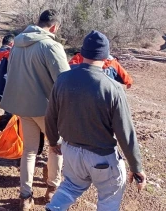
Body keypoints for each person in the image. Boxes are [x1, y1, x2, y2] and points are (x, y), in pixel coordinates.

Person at [45, 30, 146, 211]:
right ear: (105, 57)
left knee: (70, 186)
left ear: (82, 53)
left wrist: (53, 142)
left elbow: (51, 116)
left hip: (71, 151)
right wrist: (136, 166)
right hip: (102, 157)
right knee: (109, 197)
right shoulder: (113, 88)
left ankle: (53, 209)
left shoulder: (62, 79)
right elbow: (126, 132)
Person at [0, 9, 70, 210]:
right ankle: (52, 189)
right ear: (55, 27)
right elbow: (65, 81)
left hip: (22, 106)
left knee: (29, 151)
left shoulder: (17, 45)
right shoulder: (51, 46)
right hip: (47, 108)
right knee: (56, 148)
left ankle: (25, 195)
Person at [69, 52, 133, 88]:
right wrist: (128, 82)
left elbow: (67, 70)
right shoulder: (111, 61)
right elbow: (125, 76)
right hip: (105, 93)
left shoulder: (78, 57)